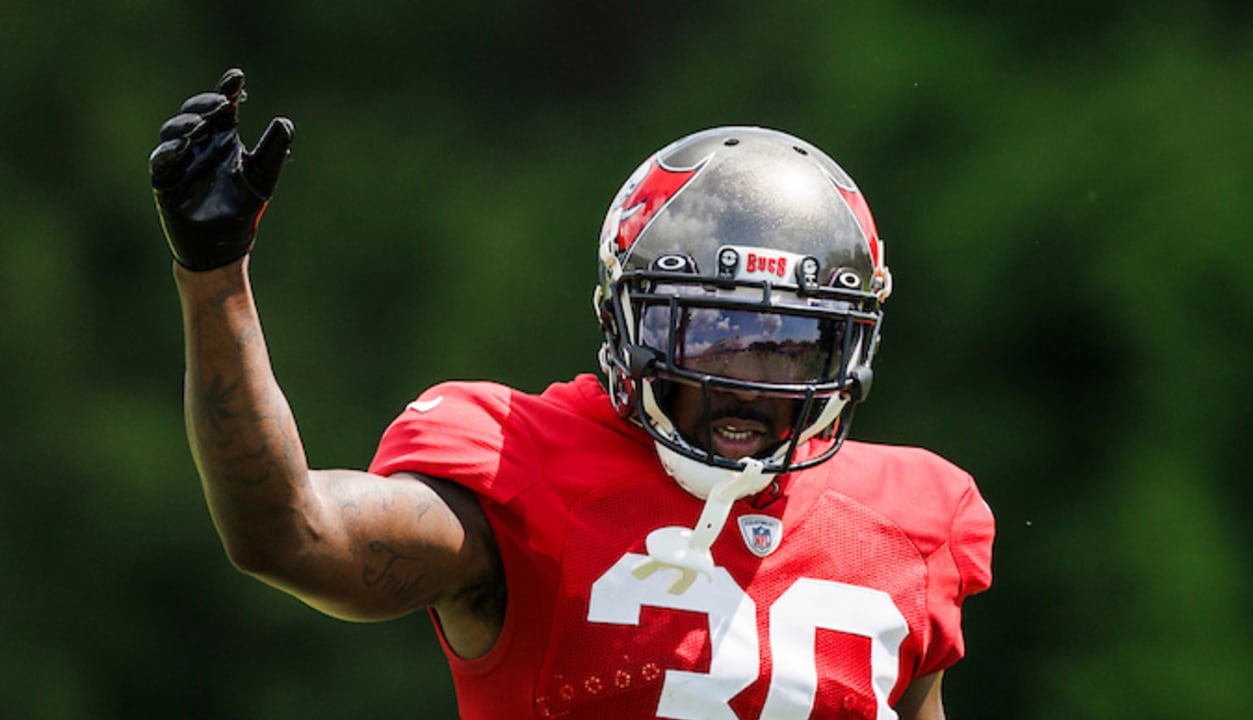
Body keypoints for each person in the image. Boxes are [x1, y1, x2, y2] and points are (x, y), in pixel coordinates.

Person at [150, 68, 995, 720]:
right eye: (707, 333)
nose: (745, 379)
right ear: (625, 323)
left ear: (848, 348)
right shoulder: (522, 467)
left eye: (788, 344)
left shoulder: (915, 524)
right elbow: (290, 533)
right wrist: (216, 280)